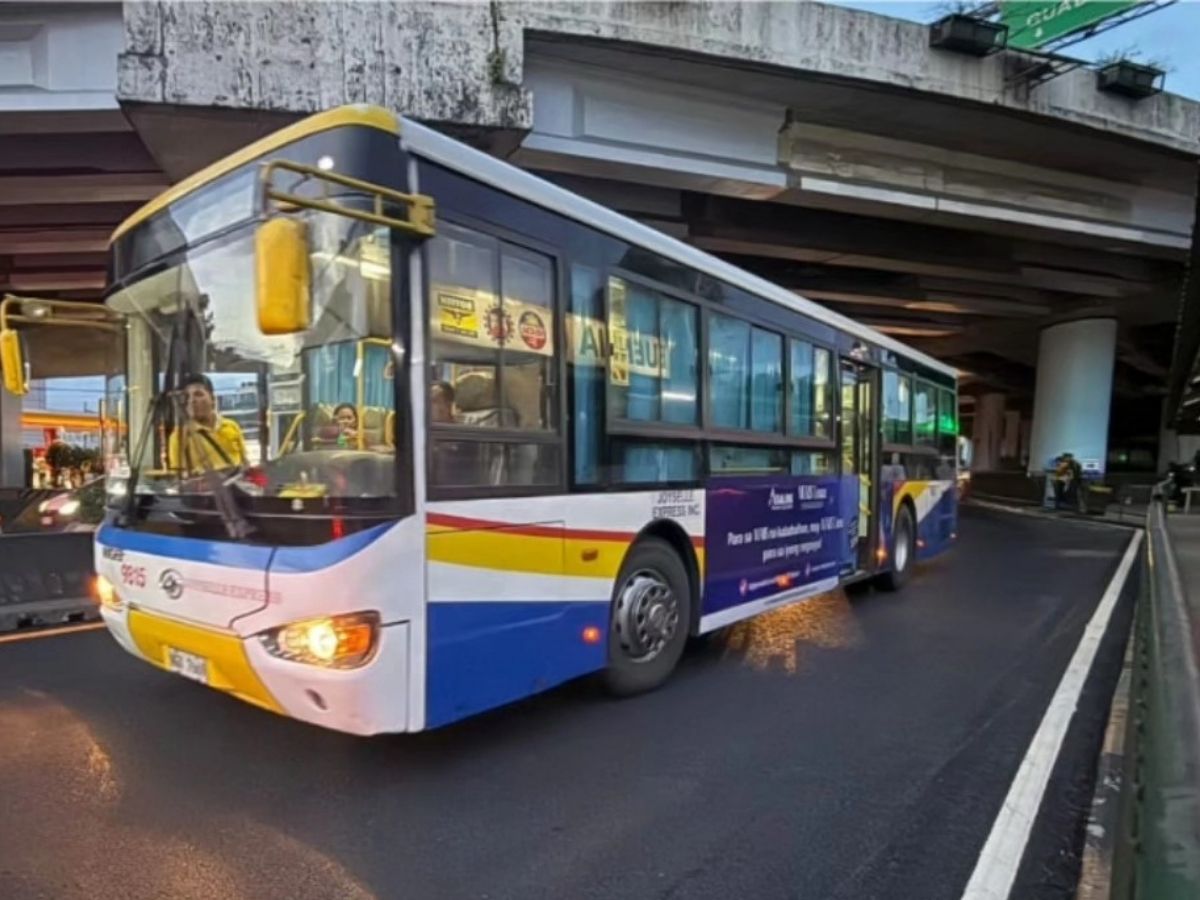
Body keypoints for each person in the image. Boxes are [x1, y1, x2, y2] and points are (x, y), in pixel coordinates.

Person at [167, 374, 247, 473]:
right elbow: (179, 477)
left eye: (198, 394)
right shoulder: (179, 436)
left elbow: (245, 463)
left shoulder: (231, 426)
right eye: (187, 396)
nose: (192, 400)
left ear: (212, 399)